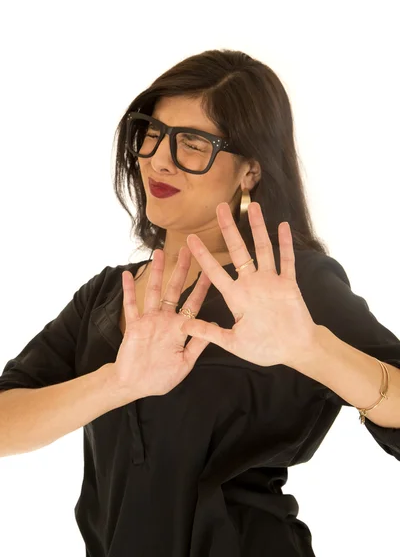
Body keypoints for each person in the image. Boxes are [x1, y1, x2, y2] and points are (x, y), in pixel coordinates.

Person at [0, 49, 399, 557]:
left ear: (250, 170)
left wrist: (312, 351)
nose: (159, 159)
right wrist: (116, 383)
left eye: (193, 143)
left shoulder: (288, 287)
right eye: (152, 133)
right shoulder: (105, 296)